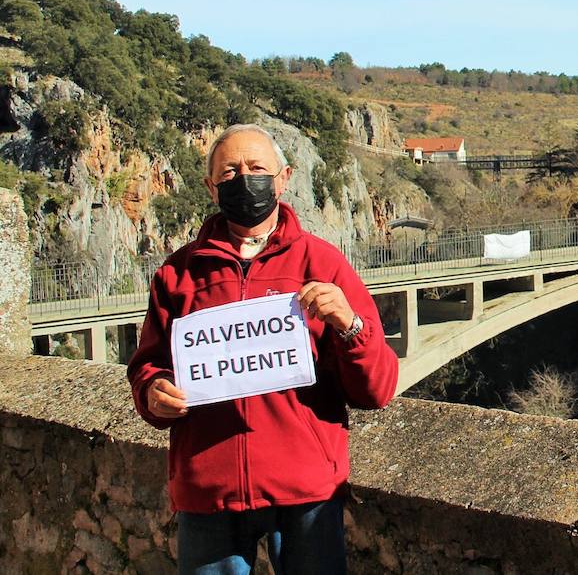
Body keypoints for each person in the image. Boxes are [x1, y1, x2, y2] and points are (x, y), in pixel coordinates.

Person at [128, 123, 398, 574]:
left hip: (306, 493)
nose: (244, 179)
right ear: (211, 187)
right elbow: (148, 367)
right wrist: (154, 391)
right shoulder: (177, 274)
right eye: (230, 172)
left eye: (256, 168)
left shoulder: (323, 261)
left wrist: (350, 326)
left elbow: (378, 389)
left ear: (283, 178)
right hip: (208, 492)